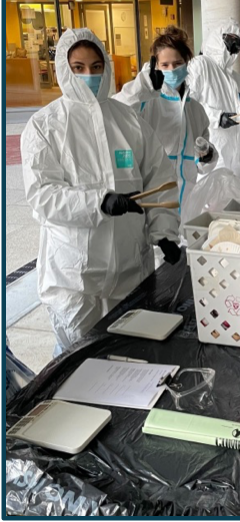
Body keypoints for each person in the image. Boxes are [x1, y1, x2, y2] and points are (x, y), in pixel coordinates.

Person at [21, 28, 182, 356]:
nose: (89, 75)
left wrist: (163, 232)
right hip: (76, 279)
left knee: (132, 358)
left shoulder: (127, 120)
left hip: (130, 271)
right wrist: (99, 202)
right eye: (78, 68)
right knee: (77, 363)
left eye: (96, 66)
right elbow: (43, 196)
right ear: (63, 70)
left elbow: (158, 176)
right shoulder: (45, 125)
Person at [113, 26, 218, 212]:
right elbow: (115, 111)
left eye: (177, 64)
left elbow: (200, 159)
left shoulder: (196, 110)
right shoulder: (146, 101)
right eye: (165, 65)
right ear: (155, 66)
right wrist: (143, 86)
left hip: (186, 197)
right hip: (153, 196)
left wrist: (207, 155)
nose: (171, 70)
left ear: (187, 63)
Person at [186, 18, 240, 177]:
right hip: (210, 154)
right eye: (231, 40)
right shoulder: (201, 65)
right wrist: (217, 117)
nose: (233, 47)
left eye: (238, 44)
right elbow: (188, 106)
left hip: (235, 160)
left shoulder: (236, 79)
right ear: (218, 37)